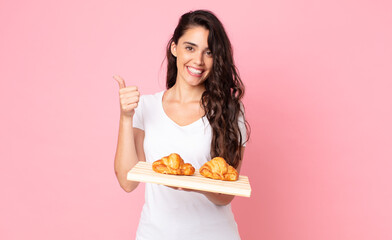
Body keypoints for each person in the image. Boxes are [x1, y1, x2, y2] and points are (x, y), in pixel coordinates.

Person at [113, 9, 250, 240]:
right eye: (190, 47)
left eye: (209, 52)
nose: (198, 60)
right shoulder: (145, 107)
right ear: (174, 48)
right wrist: (126, 117)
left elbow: (226, 194)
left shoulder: (230, 110)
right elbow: (127, 182)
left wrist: (192, 183)